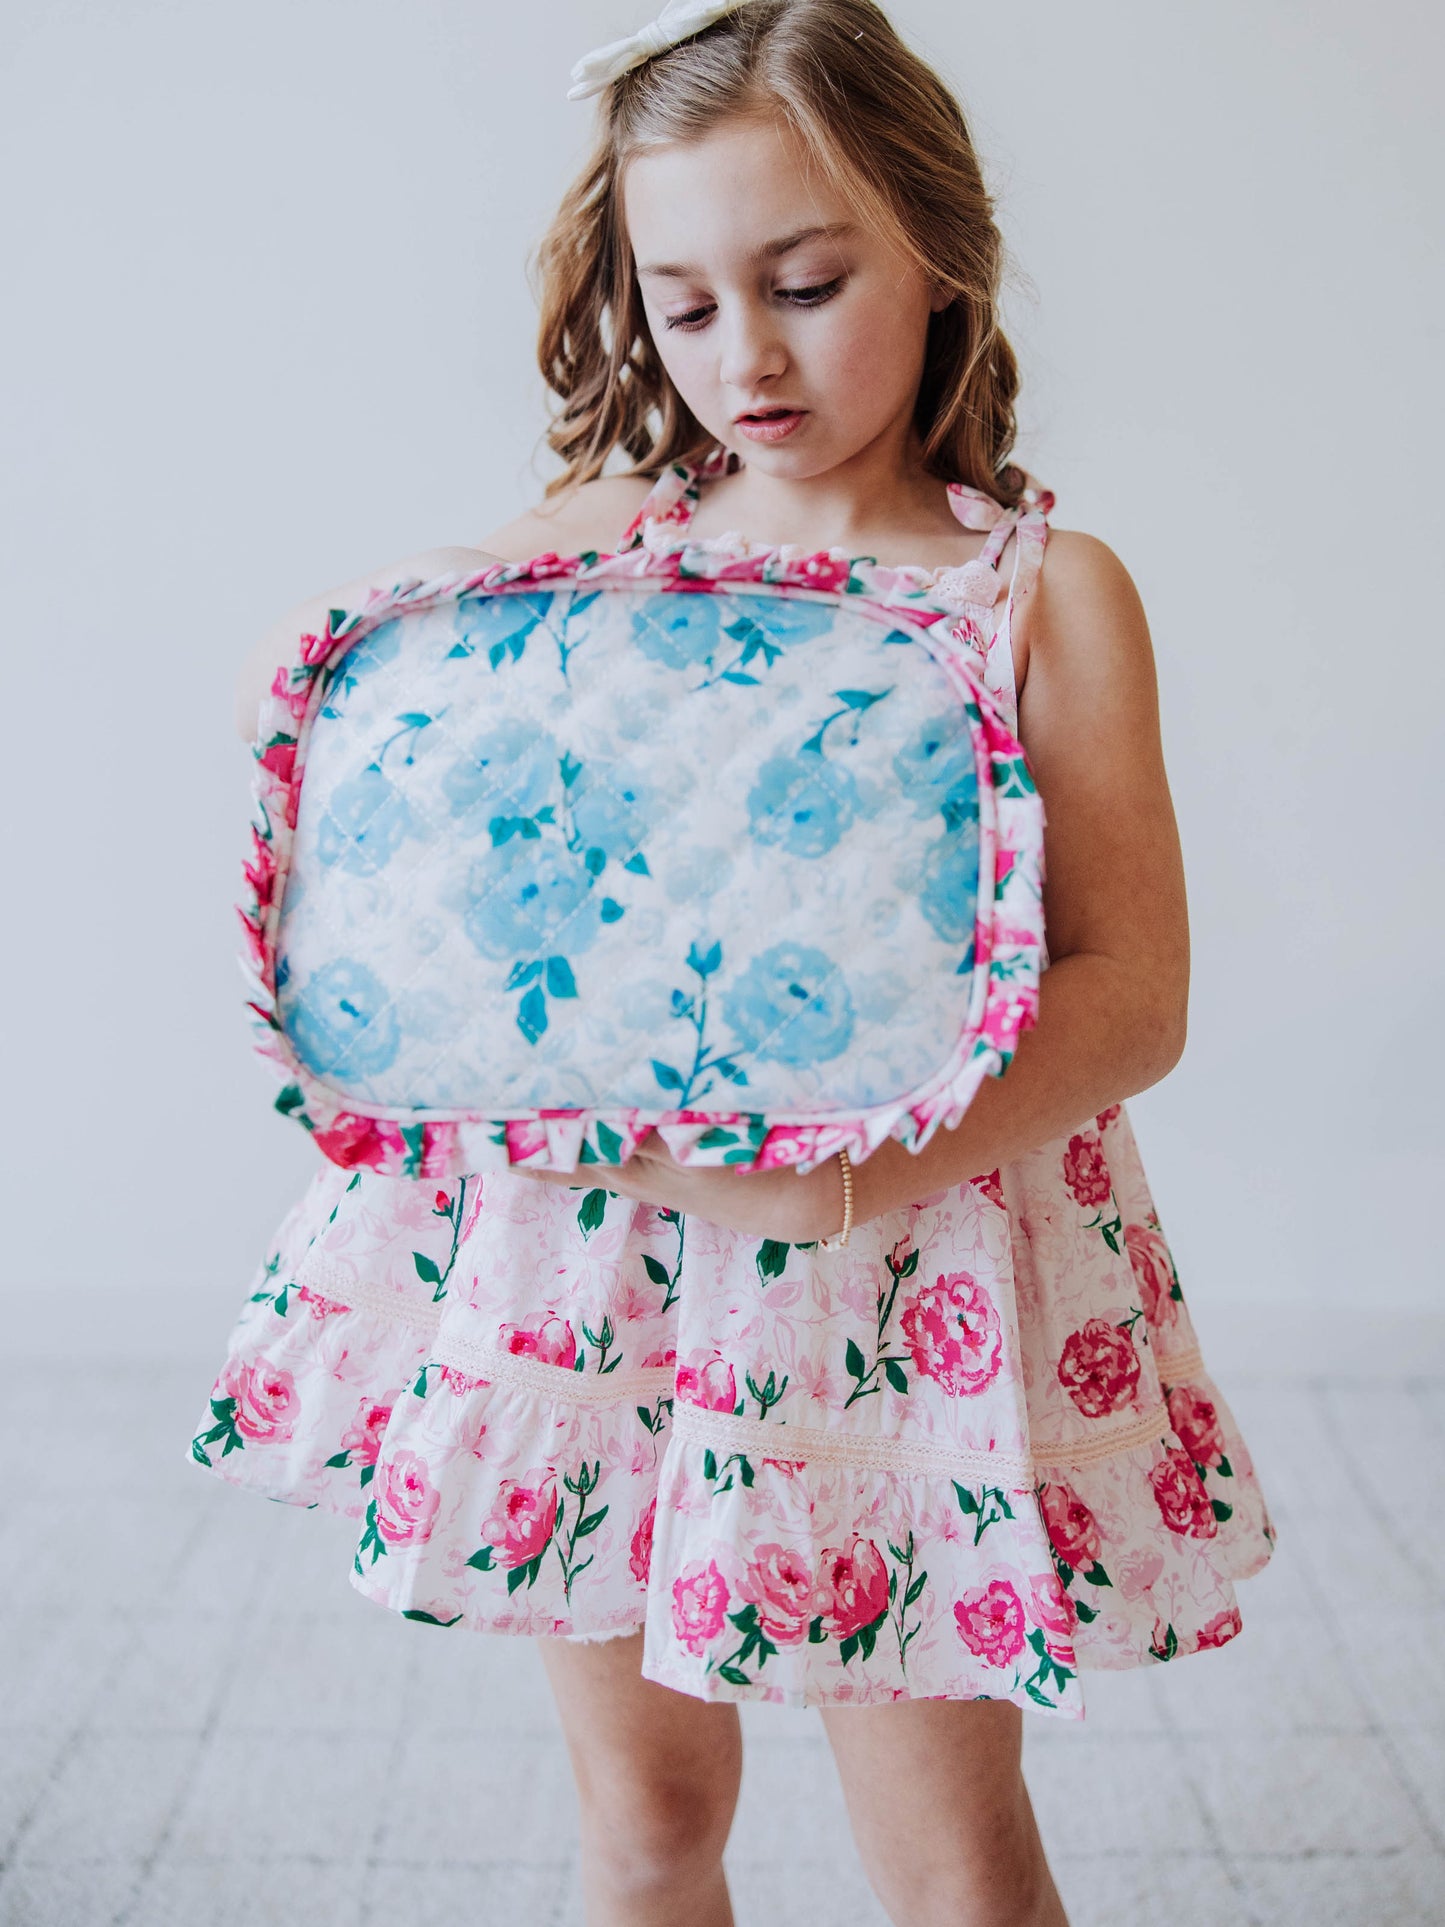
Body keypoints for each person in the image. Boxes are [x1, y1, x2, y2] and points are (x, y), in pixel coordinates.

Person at [194, 4, 1278, 1922]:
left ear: (939, 249)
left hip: (905, 1269)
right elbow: (420, 799)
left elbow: (1135, 991)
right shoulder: (606, 544)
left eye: (801, 282)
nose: (742, 357)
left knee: (950, 1855)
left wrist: (836, 1171)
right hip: (598, 1271)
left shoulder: (1040, 589)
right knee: (644, 1828)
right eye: (683, 306)